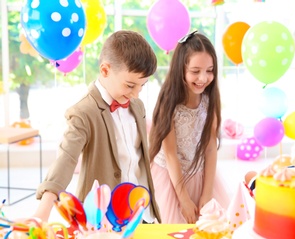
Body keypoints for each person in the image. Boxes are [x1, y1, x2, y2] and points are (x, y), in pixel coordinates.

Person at [33, 30, 161, 224]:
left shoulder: (137, 106)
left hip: (141, 214)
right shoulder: (83, 112)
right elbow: (66, 159)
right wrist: (42, 213)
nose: (136, 94)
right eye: (129, 85)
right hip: (101, 220)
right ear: (105, 70)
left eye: (142, 86)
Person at [148, 31, 230, 224]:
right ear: (181, 69)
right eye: (195, 71)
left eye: (210, 70)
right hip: (171, 176)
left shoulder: (210, 100)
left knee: (210, 228)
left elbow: (210, 147)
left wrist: (207, 194)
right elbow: (170, 155)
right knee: (175, 233)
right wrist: (183, 199)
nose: (203, 78)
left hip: (198, 172)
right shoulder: (169, 103)